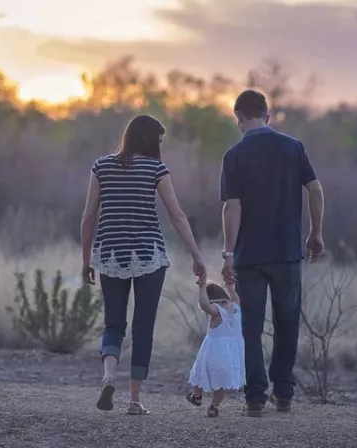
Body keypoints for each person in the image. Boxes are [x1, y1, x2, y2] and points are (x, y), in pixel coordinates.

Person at [80, 114, 207, 415]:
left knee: (113, 323)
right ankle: (134, 401)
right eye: (159, 140)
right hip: (149, 256)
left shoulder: (101, 167)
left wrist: (86, 260)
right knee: (143, 328)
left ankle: (109, 376)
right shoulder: (156, 169)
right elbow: (177, 215)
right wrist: (196, 255)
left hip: (110, 255)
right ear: (150, 139)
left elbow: (88, 218)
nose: (161, 146)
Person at [219, 90, 325, 417]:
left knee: (250, 327)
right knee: (287, 323)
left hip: (250, 257)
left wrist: (228, 253)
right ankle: (284, 393)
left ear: (238, 118)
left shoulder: (233, 155)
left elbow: (231, 207)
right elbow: (315, 189)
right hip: (287, 253)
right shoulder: (293, 147)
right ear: (267, 116)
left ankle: (254, 398)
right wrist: (316, 233)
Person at [186, 279, 245, 418]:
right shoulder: (236, 307)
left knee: (200, 372)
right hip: (232, 354)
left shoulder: (217, 311)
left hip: (213, 351)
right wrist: (230, 285)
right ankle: (213, 407)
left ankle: (197, 396)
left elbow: (205, 305)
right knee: (221, 382)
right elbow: (235, 296)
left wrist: (201, 287)